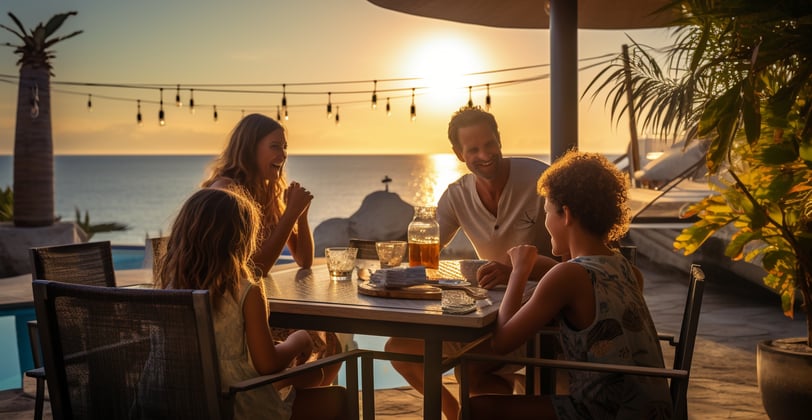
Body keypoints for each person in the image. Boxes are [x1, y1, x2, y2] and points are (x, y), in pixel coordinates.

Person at [385, 106, 559, 420]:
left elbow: (576, 260)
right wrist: (394, 270)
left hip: (544, 313)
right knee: (400, 350)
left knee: (474, 367)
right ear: (458, 153)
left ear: (500, 140)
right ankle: (455, 414)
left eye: (490, 144)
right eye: (473, 149)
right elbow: (425, 252)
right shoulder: (456, 196)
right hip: (491, 311)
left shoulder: (540, 180)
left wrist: (516, 270)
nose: (485, 154)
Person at [473, 150, 671, 419]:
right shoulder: (628, 269)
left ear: (565, 214)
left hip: (602, 412)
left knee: (477, 409)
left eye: (546, 212)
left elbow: (502, 342)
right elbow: (581, 288)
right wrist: (539, 267)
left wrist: (519, 270)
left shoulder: (567, 276)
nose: (545, 222)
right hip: (650, 411)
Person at [153, 187, 347, 420]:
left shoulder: (168, 289)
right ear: (242, 240)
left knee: (311, 377)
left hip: (170, 405)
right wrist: (299, 340)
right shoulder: (245, 291)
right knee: (336, 397)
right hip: (236, 406)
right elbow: (267, 365)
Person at [202, 113, 340, 386]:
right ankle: (289, 403)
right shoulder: (227, 193)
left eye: (285, 146)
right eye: (275, 146)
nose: (283, 153)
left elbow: (304, 259)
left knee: (330, 342)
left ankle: (296, 403)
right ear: (250, 148)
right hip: (234, 314)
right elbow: (255, 269)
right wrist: (290, 214)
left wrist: (299, 215)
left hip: (260, 304)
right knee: (321, 344)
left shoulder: (266, 192)